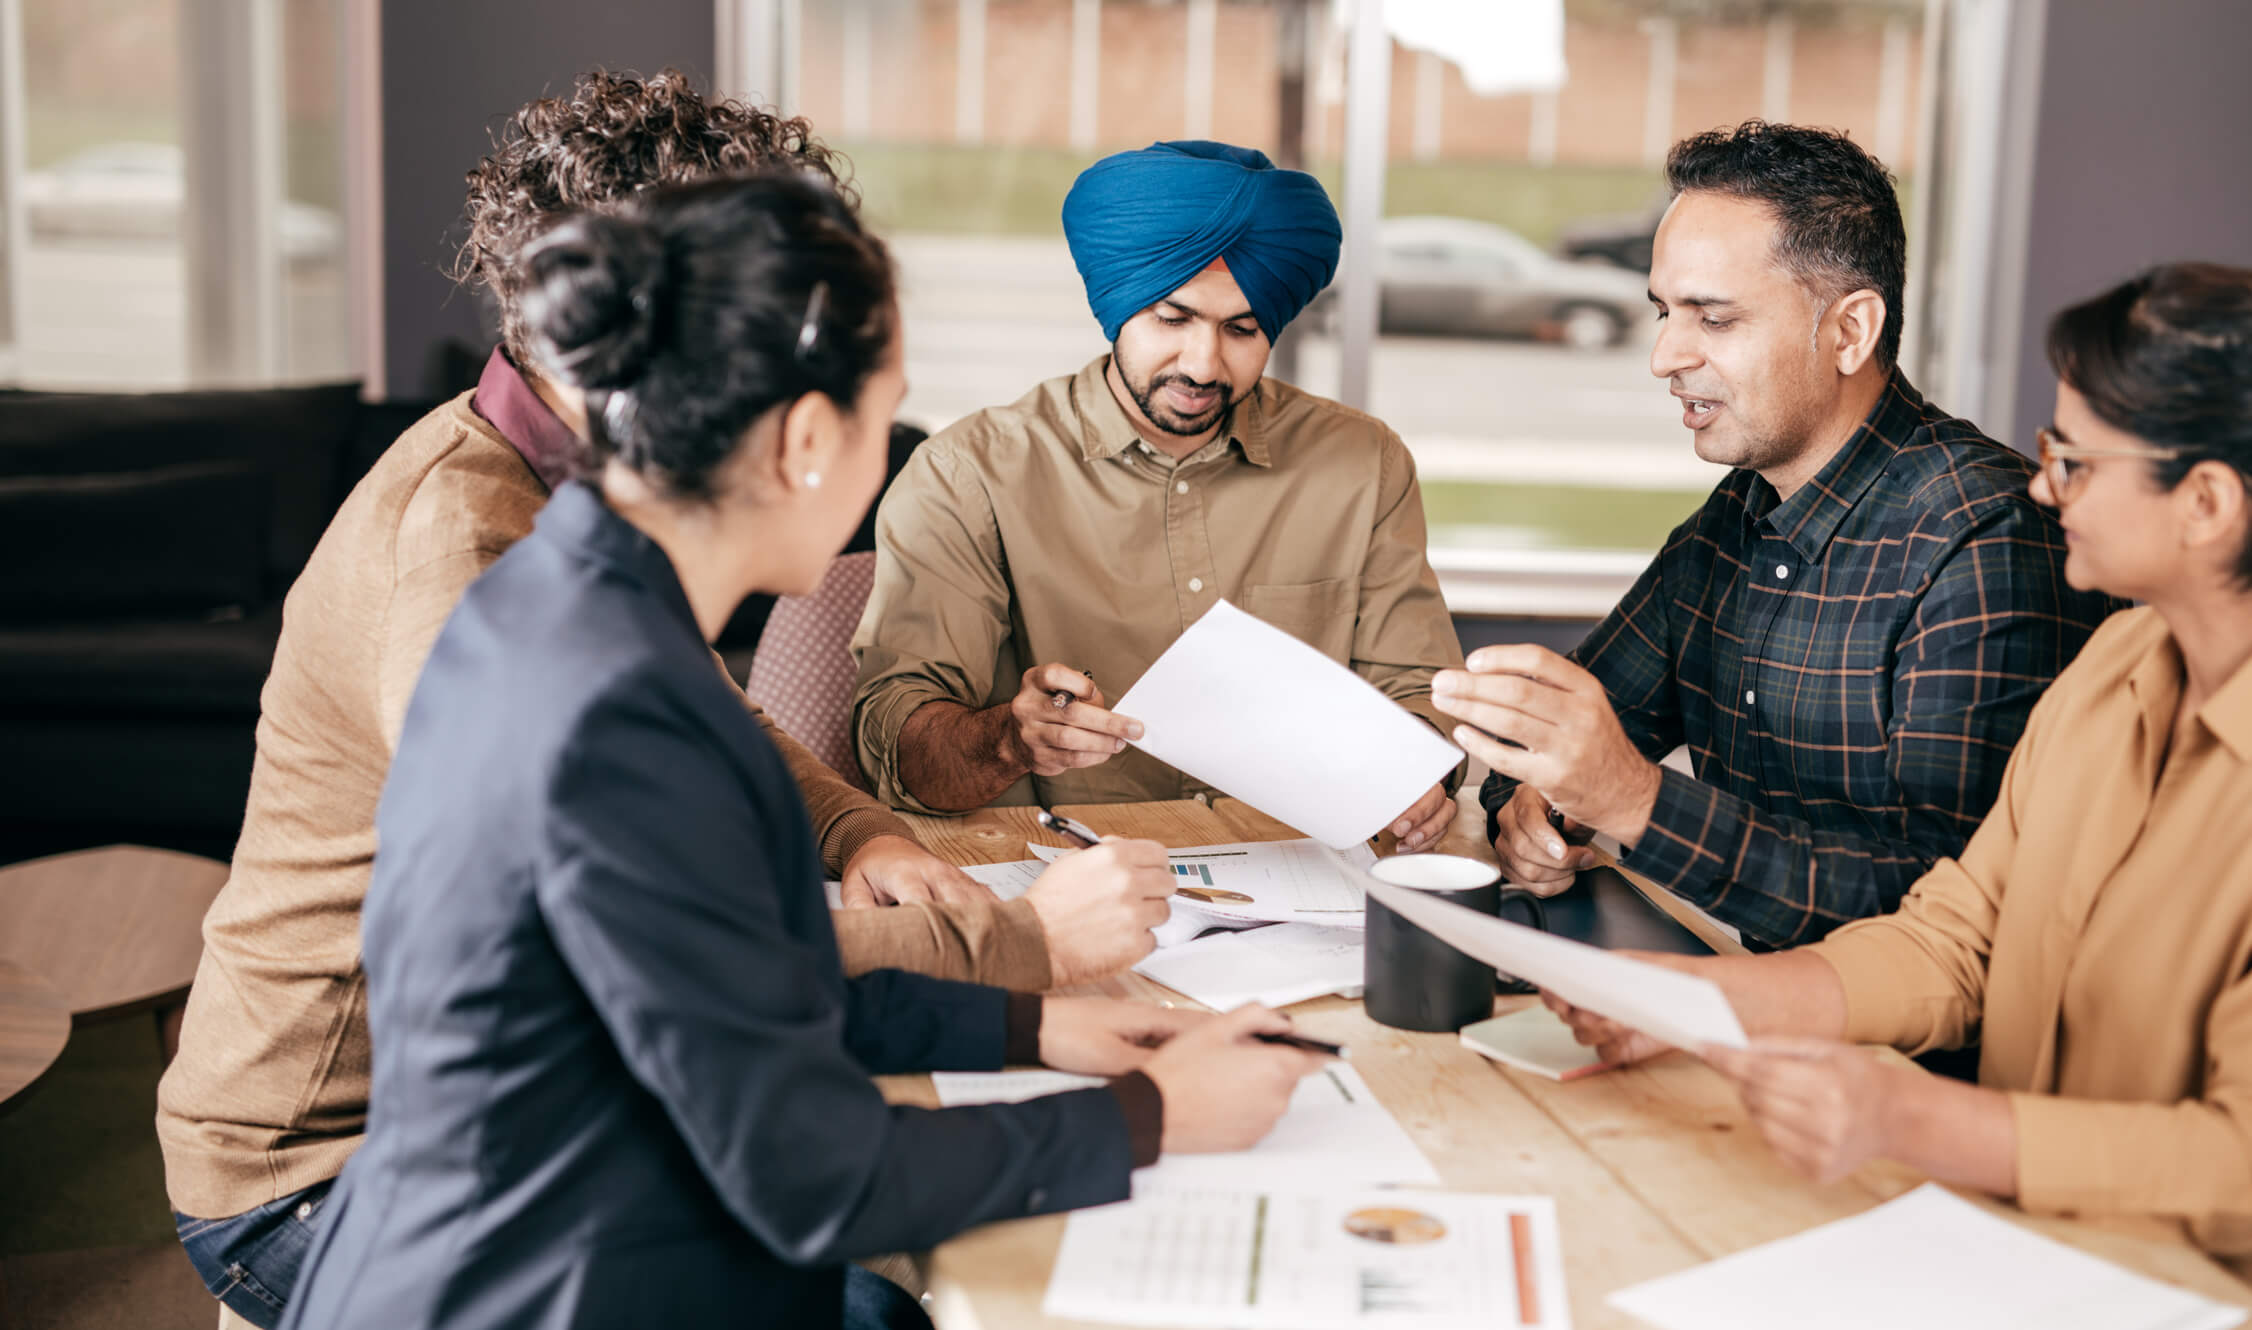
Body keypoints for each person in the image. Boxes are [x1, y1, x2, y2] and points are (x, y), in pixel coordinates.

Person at [159, 72, 1160, 1329]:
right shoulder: (474, 562)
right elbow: (658, 979)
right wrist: (1030, 963)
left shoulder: (590, 514)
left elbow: (690, 732)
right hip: (326, 1170)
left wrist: (863, 835)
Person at [1550, 261, 2252, 1259]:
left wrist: (1916, 1120)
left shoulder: (1988, 541)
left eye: (2077, 463)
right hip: (2033, 1252)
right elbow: (1952, 939)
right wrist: (1700, 1003)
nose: (2042, 484)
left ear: (2206, 502)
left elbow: (2237, 1160)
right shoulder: (2116, 669)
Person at [1438, 122, 2114, 947]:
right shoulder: (1739, 514)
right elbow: (1557, 732)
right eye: (1663, 311)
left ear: (1850, 332)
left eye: (1713, 319)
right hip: (1747, 1004)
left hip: (1903, 1060)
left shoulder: (1988, 540)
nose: (1663, 356)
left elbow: (1948, 911)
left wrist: (1634, 802)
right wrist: (1542, 811)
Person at [851, 140, 1465, 847]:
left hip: (1304, 874)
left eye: (1242, 328)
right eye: (1173, 319)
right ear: (1118, 306)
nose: (1204, 364)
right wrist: (1010, 742)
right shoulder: (971, 474)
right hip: (1057, 883)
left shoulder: (1362, 463)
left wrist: (1418, 773)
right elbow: (893, 741)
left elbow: (1419, 689)